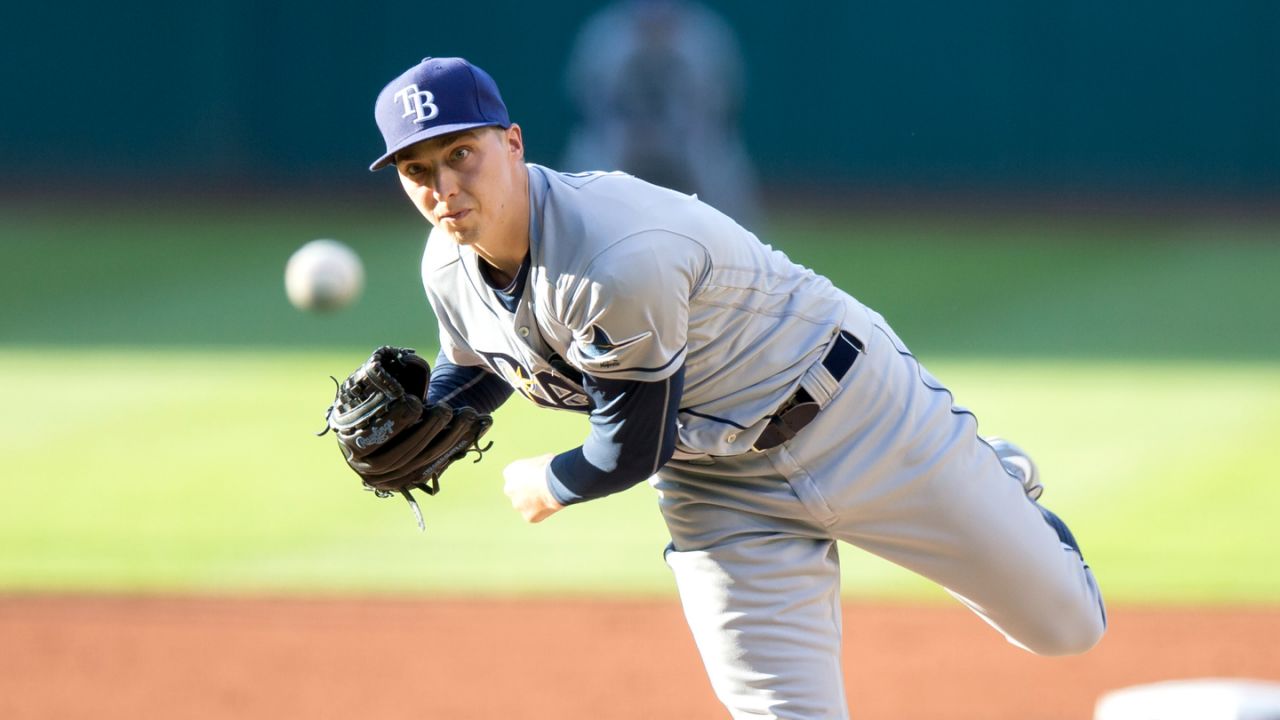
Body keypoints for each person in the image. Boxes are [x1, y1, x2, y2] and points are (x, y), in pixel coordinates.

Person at [368, 56, 1106, 720]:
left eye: (461, 153)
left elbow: (633, 446)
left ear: (514, 144)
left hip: (858, 417)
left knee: (1066, 628)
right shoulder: (446, 264)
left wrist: (550, 482)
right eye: (417, 170)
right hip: (718, 487)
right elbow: (482, 361)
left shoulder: (616, 256)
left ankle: (995, 479)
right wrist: (432, 411)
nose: (444, 186)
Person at [560, 0, 759, 228]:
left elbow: (722, 103)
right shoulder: (604, 36)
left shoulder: (705, 36)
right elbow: (587, 101)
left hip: (687, 137)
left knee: (719, 162)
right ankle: (573, 241)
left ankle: (739, 249)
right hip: (622, 135)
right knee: (586, 158)